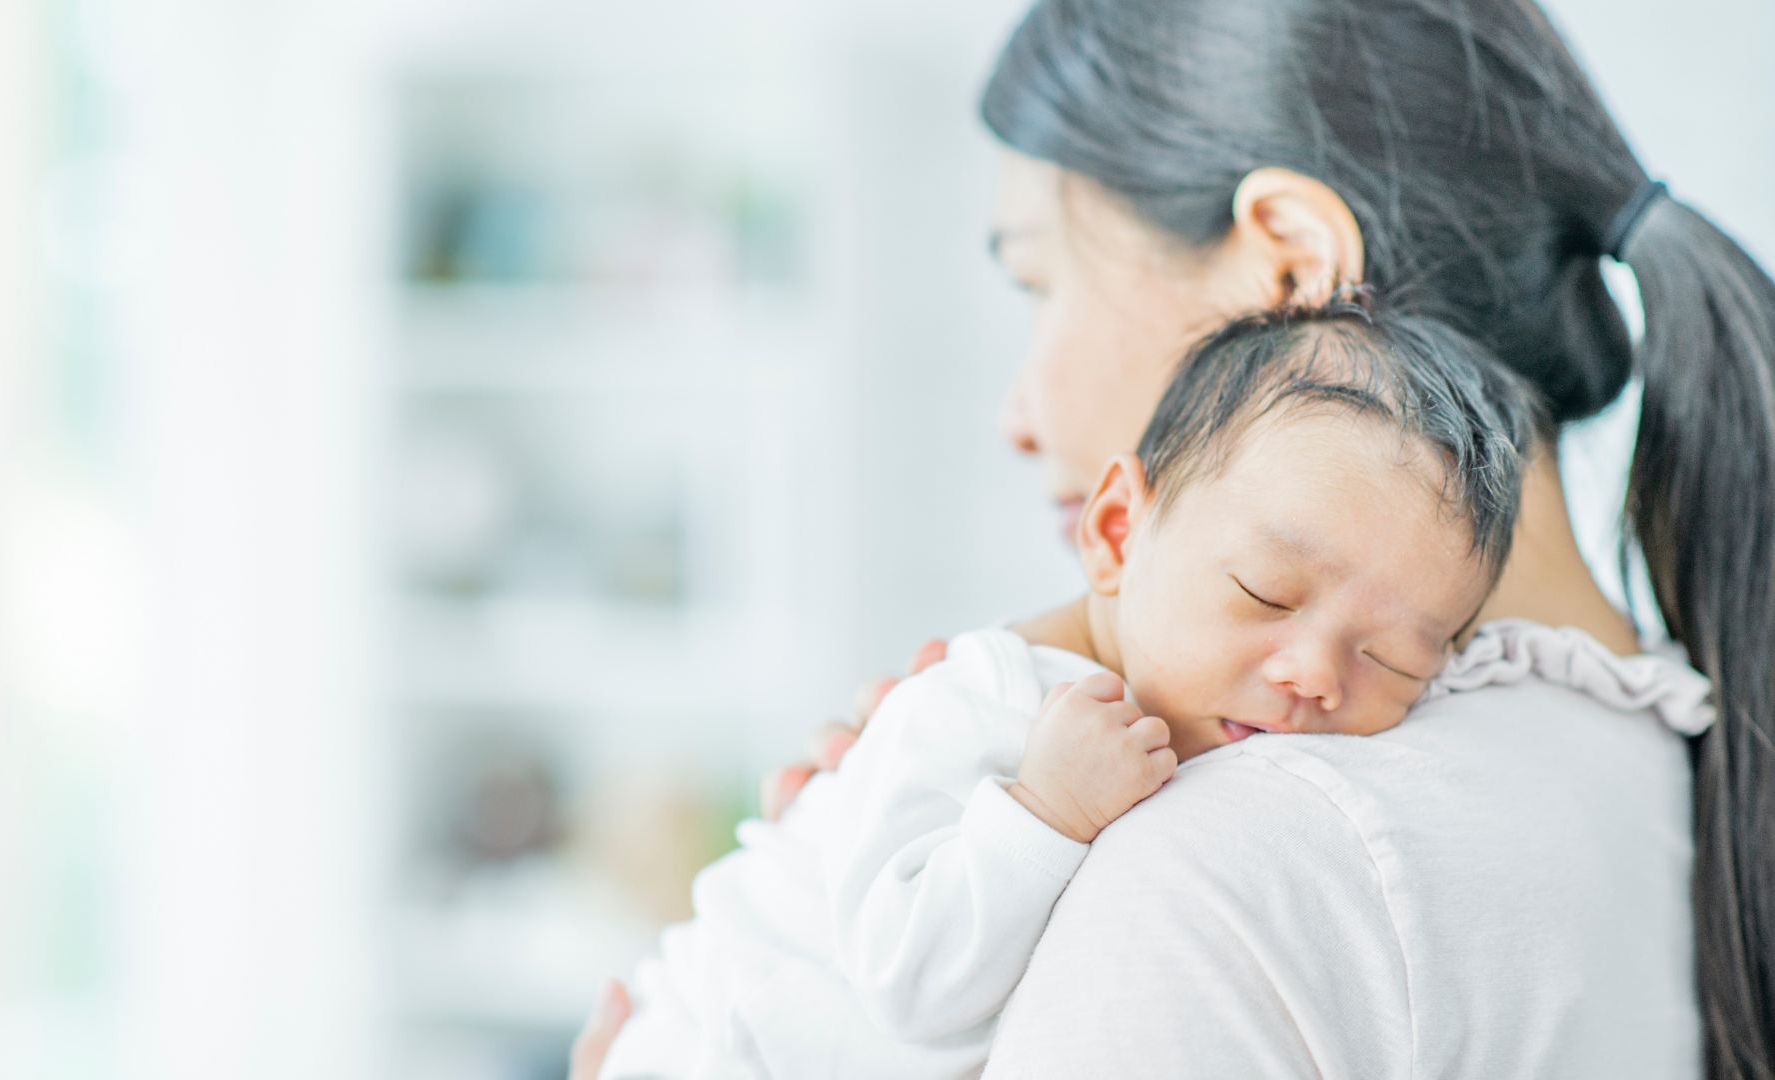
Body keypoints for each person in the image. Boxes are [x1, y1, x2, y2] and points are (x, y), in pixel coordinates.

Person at [566, 0, 1775, 1075]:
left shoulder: (1214, 863)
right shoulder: (1670, 761)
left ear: (1292, 272)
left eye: (1041, 284)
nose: (1017, 412)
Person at [598, 304, 1544, 1080]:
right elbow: (908, 984)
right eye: (1266, 593)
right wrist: (1043, 814)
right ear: (1119, 531)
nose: (1317, 674)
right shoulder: (980, 703)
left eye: (1394, 660)